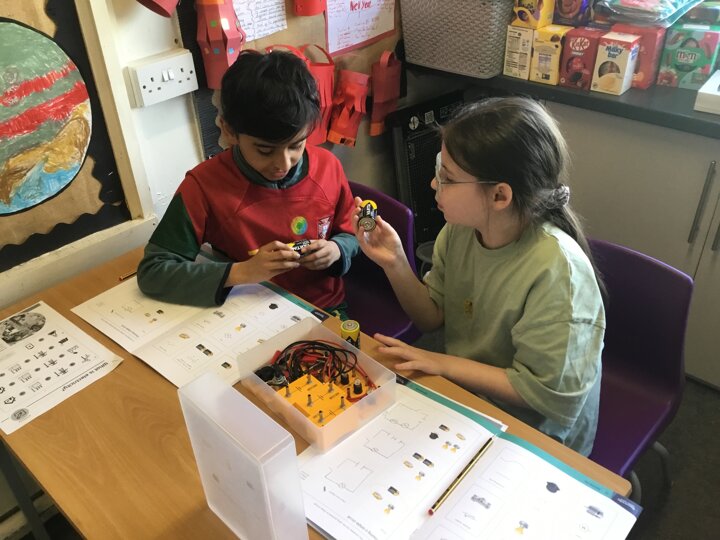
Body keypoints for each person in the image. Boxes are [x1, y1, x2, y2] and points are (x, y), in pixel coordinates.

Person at [353, 97, 605, 456]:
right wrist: (395, 262)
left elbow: (543, 395)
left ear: (500, 195)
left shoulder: (558, 273)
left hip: (534, 432)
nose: (433, 183)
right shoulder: (461, 230)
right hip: (469, 394)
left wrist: (442, 363)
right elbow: (431, 317)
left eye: (447, 177)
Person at [137, 50, 359, 317]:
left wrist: (337, 249)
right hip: (246, 314)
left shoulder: (327, 166)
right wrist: (242, 272)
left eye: (296, 145)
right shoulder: (204, 186)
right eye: (265, 150)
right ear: (229, 131)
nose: (283, 164)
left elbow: (354, 234)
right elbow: (153, 273)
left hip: (322, 309)